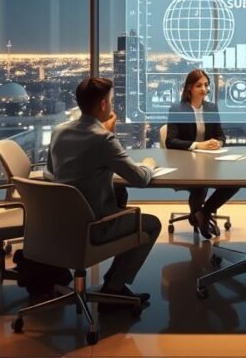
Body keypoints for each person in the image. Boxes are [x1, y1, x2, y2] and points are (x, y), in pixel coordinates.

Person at [49, 76, 162, 306]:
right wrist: (149, 163)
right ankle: (114, 287)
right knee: (151, 224)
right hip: (93, 227)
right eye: (110, 101)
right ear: (103, 105)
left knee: (121, 197)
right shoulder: (103, 139)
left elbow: (51, 173)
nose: (111, 105)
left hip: (58, 223)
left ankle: (113, 284)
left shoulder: (58, 131)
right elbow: (139, 178)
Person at [165, 69, 239, 239]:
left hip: (210, 162)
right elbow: (170, 141)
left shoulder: (211, 108)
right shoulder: (178, 109)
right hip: (185, 164)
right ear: (189, 87)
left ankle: (203, 214)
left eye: (206, 85)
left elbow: (221, 136)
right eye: (199, 85)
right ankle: (201, 218)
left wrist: (217, 143)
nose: (204, 89)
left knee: (234, 183)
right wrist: (199, 144)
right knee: (200, 186)